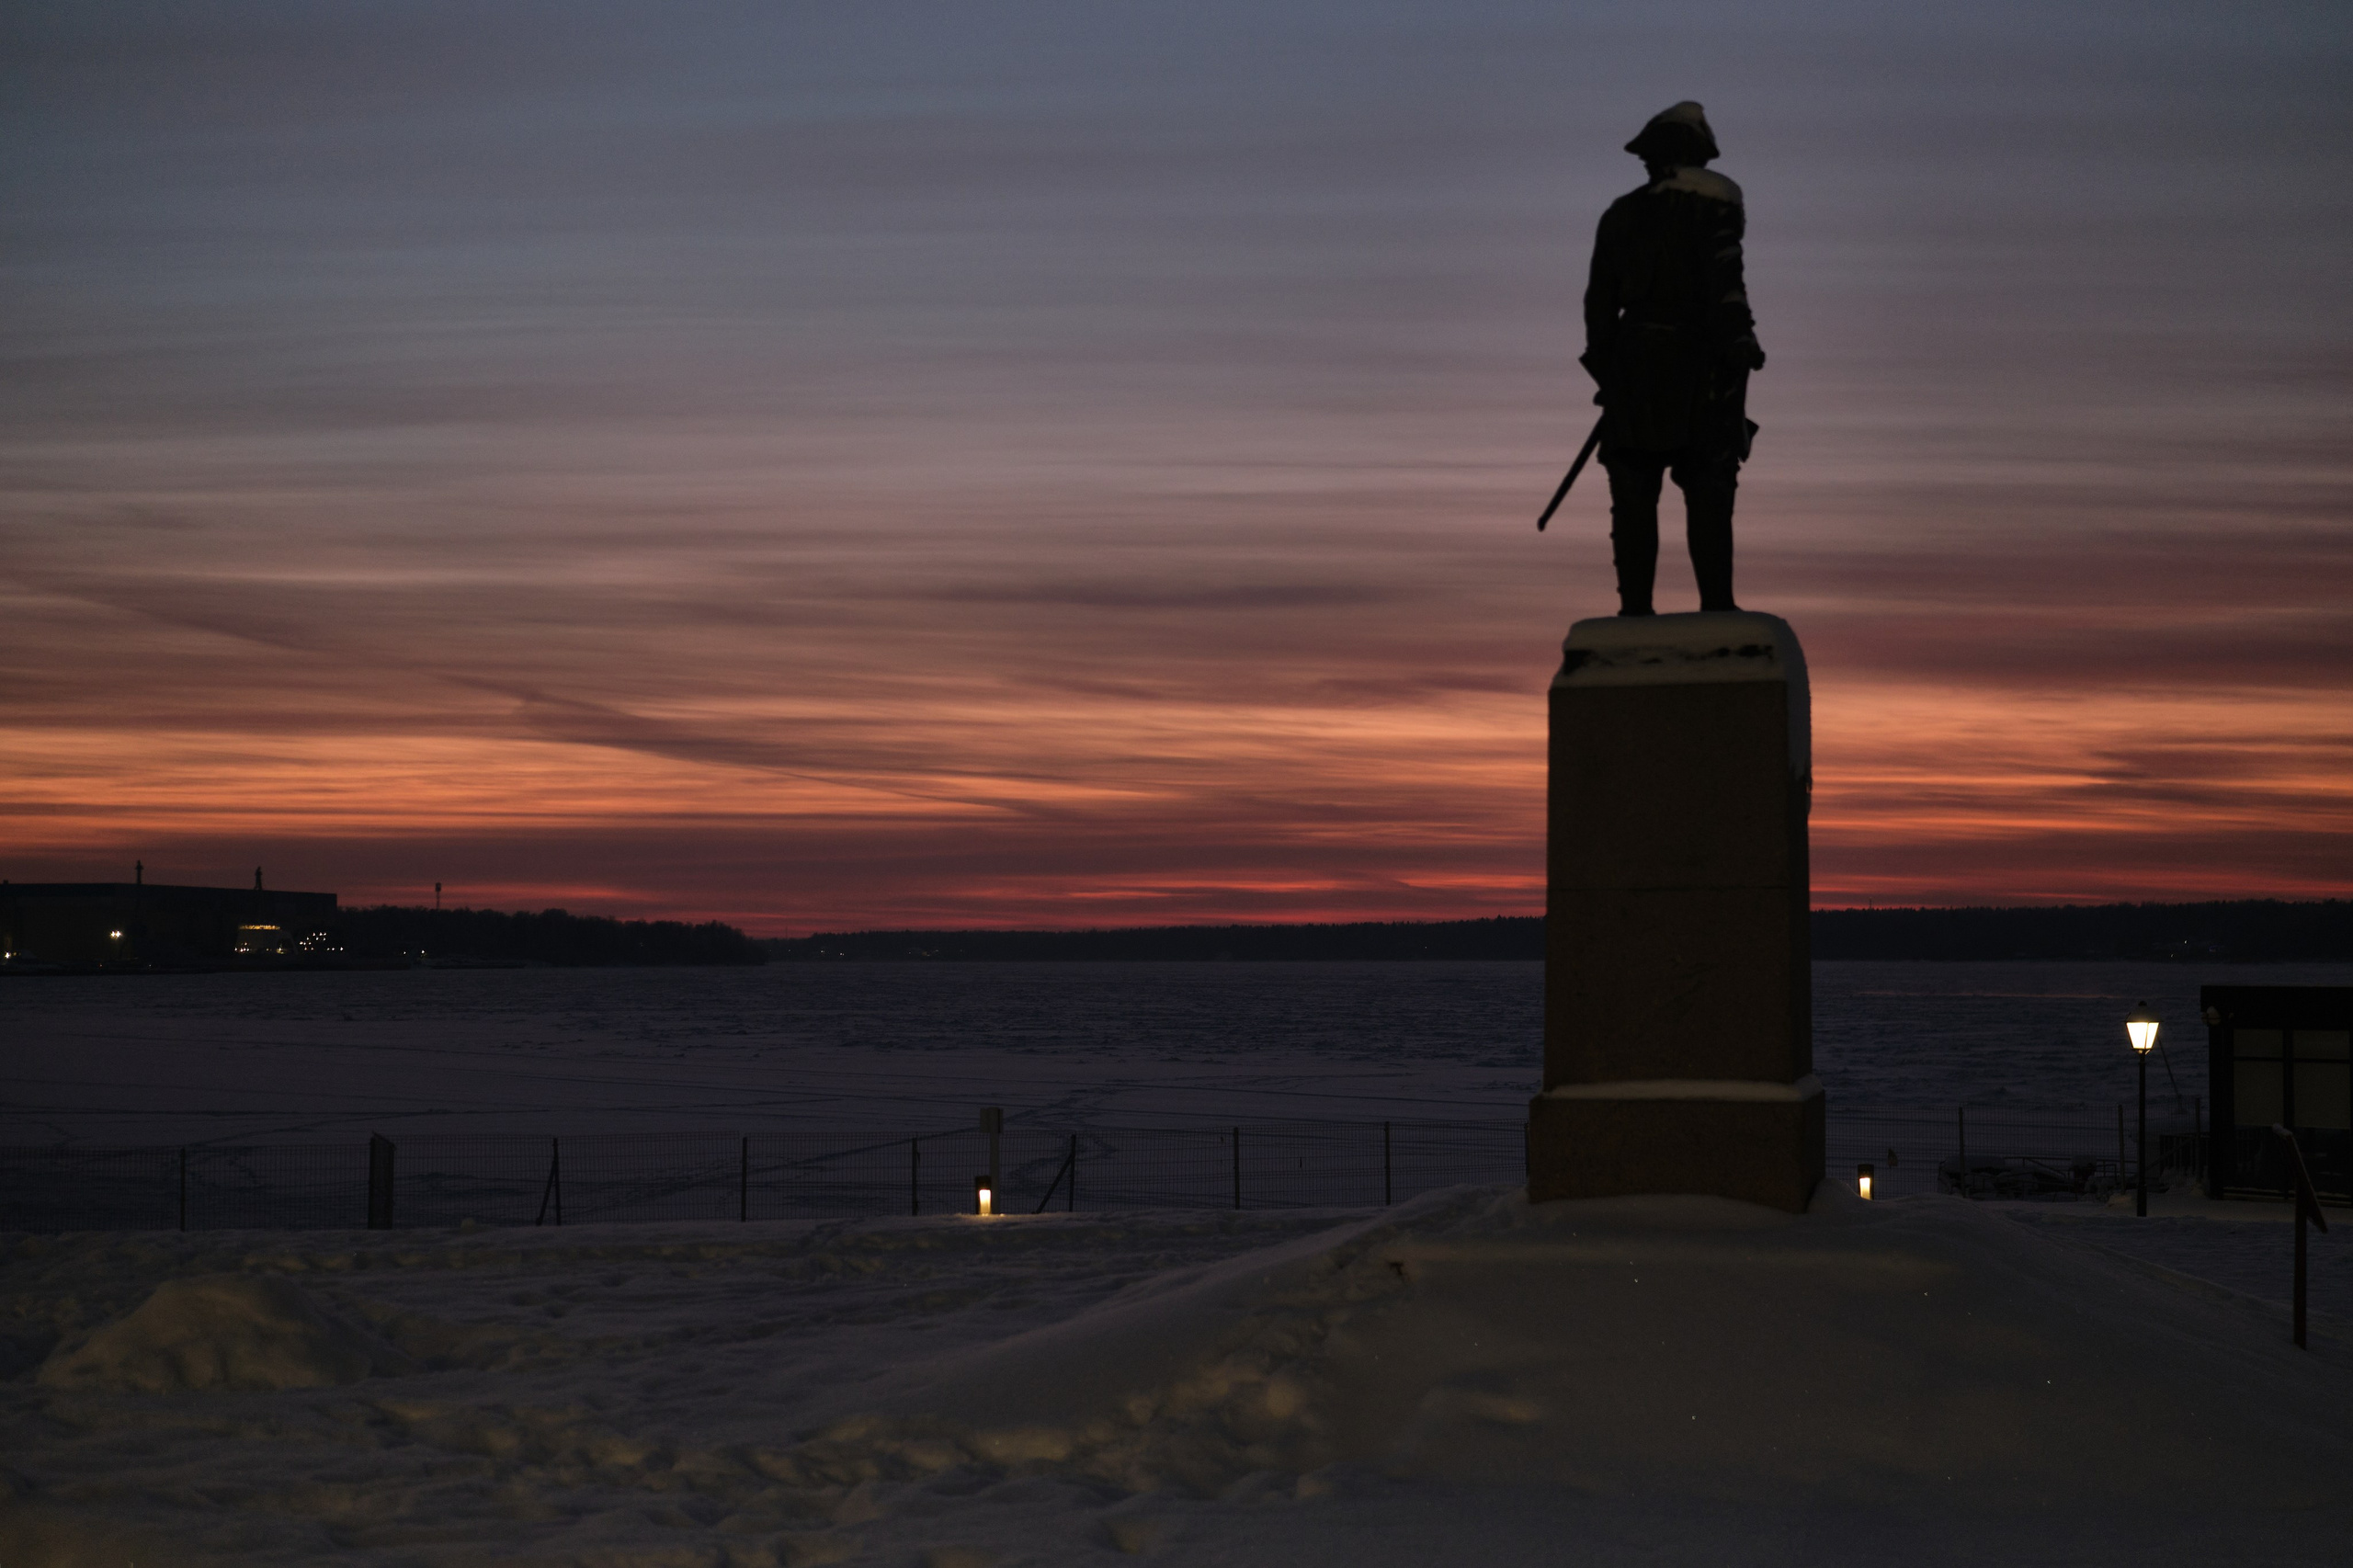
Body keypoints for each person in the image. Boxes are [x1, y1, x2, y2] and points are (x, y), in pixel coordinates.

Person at [1580, 101, 1765, 616]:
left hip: (1637, 370)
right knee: (1708, 486)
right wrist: (1740, 343)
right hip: (1698, 369)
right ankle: (1716, 608)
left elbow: (1599, 305)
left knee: (1636, 490)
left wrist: (1608, 370)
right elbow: (1727, 286)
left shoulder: (1620, 214)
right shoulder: (1715, 203)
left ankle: (1638, 610)